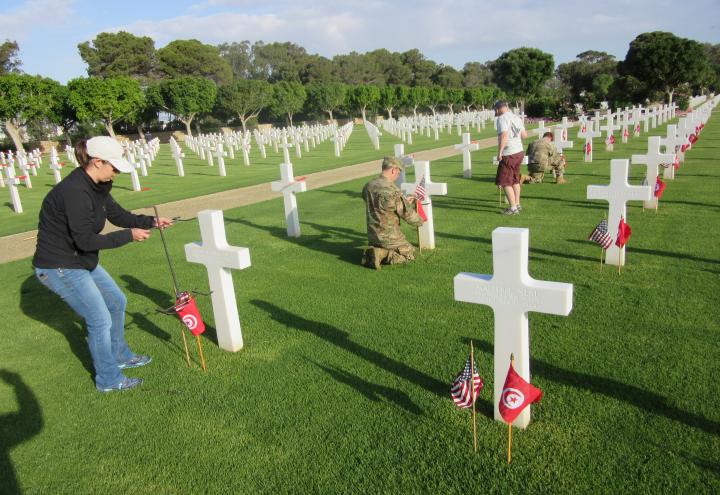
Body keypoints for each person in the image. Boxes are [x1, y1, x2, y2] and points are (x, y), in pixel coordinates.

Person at [32, 136, 173, 392]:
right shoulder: (74, 192)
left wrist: (149, 221)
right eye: (114, 167)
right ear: (97, 162)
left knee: (116, 302)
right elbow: (86, 240)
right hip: (59, 265)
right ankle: (109, 379)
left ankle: (120, 355)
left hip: (79, 260)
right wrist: (128, 236)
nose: (117, 172)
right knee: (99, 320)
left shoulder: (98, 185)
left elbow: (117, 215)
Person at [361, 156, 424, 269]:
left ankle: (376, 249)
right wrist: (420, 220)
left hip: (373, 236)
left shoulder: (368, 186)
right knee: (409, 252)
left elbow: (380, 205)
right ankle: (383, 254)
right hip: (390, 237)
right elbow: (408, 215)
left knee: (387, 244)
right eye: (398, 172)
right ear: (393, 170)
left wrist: (402, 200)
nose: (397, 175)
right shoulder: (392, 190)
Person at [494, 100, 528, 215]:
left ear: (498, 109)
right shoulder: (516, 117)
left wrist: (500, 152)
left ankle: (513, 208)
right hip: (519, 151)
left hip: (509, 153)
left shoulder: (502, 118)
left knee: (504, 181)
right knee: (515, 179)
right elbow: (524, 135)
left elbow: (504, 135)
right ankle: (517, 204)